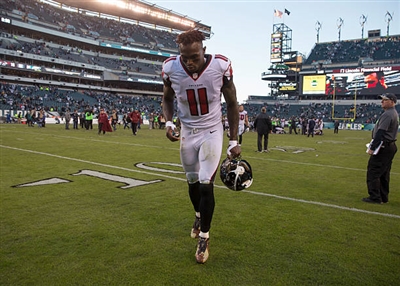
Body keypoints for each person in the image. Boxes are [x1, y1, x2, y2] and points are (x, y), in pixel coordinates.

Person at [162, 29, 240, 264]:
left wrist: (234, 140)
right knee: (192, 182)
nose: (190, 62)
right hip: (187, 132)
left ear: (203, 51)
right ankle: (198, 215)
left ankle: (204, 237)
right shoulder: (170, 68)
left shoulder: (220, 66)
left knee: (206, 183)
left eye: (194, 56)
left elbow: (232, 103)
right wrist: (167, 121)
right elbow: (166, 97)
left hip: (212, 131)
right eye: (185, 57)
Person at [363, 93, 398, 204]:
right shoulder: (392, 113)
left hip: (383, 146)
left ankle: (375, 197)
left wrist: (372, 147)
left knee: (373, 171)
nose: (382, 102)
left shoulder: (388, 114)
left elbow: (381, 132)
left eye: (385, 100)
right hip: (389, 146)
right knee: (384, 173)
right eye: (382, 100)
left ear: (392, 101)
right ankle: (383, 196)